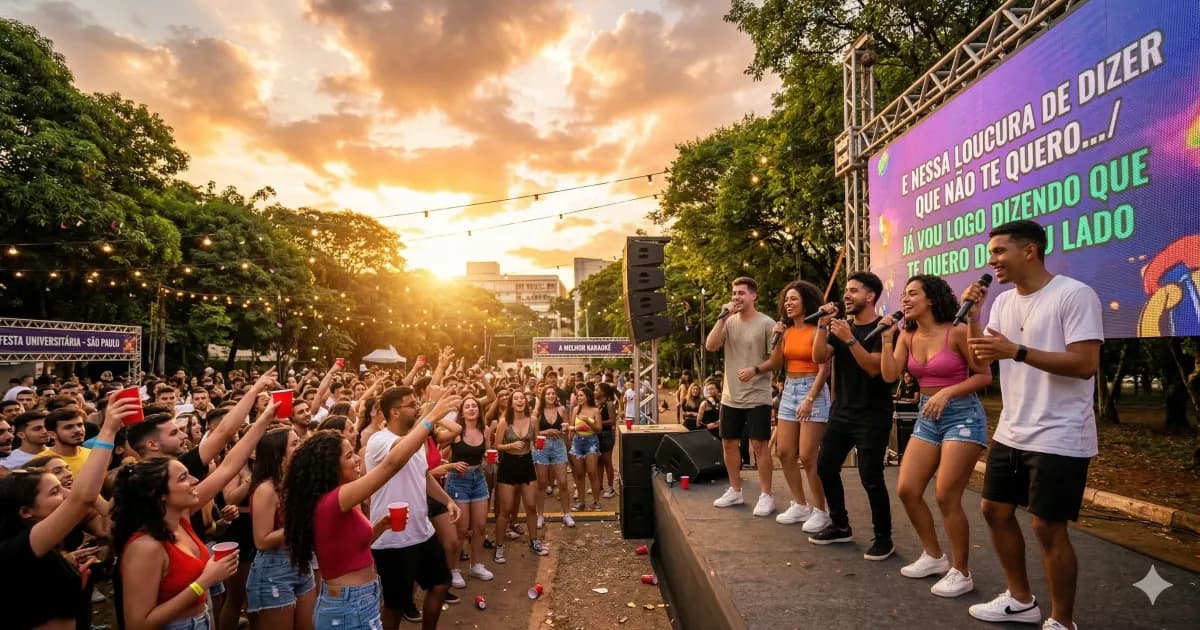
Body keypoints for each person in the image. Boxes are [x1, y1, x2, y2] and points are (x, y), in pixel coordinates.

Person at [965, 220, 1103, 630]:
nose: (993, 261)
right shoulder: (1003, 303)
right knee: (993, 510)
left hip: (1061, 432)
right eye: (991, 253)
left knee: (1047, 525)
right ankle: (1020, 599)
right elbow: (980, 362)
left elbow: (1085, 365)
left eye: (1000, 251)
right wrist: (973, 319)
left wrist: (1018, 351)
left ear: (1030, 251)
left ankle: (1063, 620)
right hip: (1013, 429)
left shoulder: (1074, 295)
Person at [283, 398, 451, 630]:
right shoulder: (335, 499)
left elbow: (353, 549)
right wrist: (430, 418)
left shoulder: (337, 499)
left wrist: (381, 525)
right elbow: (391, 465)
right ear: (332, 466)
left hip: (359, 600)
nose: (357, 459)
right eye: (349, 456)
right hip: (347, 607)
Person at [115, 400, 278, 630]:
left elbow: (226, 468)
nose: (194, 481)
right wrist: (204, 582)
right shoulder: (145, 546)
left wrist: (263, 420)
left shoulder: (179, 519)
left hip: (202, 620)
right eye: (183, 478)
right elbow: (138, 624)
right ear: (160, 494)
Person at [879, 275, 992, 598]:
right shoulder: (906, 336)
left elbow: (984, 375)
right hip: (928, 417)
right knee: (907, 489)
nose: (905, 299)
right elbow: (889, 375)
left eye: (912, 293)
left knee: (946, 494)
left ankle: (962, 571)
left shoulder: (956, 331)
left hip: (962, 415)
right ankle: (933, 556)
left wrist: (948, 393)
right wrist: (887, 340)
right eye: (904, 294)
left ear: (931, 299)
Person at [0, 396, 136, 629]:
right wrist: (109, 430)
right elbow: (82, 499)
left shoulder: (45, 546)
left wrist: (69, 569)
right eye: (55, 491)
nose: (65, 494)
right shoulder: (16, 546)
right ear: (25, 511)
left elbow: (102, 517)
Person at [809, 271, 896, 561]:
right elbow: (819, 357)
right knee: (825, 467)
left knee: (871, 476)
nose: (846, 295)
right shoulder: (841, 327)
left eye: (853, 290)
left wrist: (849, 340)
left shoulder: (884, 328)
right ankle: (840, 524)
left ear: (870, 296)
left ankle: (884, 538)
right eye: (846, 290)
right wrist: (823, 326)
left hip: (872, 413)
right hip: (842, 411)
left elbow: (874, 368)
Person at [365, 386, 462, 629]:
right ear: (395, 412)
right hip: (393, 539)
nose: (417, 407)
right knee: (396, 604)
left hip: (422, 532)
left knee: (441, 583)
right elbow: (398, 457)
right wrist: (432, 415)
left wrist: (447, 500)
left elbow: (423, 475)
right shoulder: (379, 440)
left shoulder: (416, 439)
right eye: (411, 404)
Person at [742, 280, 833, 532]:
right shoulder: (788, 331)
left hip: (812, 390)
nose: (788, 304)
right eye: (786, 300)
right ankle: (800, 504)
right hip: (790, 389)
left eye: (794, 299)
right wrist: (778, 337)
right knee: (784, 452)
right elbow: (778, 362)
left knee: (807, 455)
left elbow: (824, 367)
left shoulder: (818, 329)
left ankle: (821, 511)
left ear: (806, 301)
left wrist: (810, 398)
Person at [705, 277, 776, 516]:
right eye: (734, 293)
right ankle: (735, 490)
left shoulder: (767, 323)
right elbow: (710, 345)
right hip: (730, 395)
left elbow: (776, 359)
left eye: (742, 293)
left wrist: (755, 370)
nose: (736, 297)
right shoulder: (728, 321)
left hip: (758, 394)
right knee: (728, 442)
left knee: (759, 444)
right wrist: (722, 316)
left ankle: (766, 495)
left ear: (753, 296)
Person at [247, 427, 315, 629]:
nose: (300, 445)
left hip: (301, 560)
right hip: (273, 568)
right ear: (278, 454)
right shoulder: (266, 490)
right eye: (294, 443)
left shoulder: (295, 482)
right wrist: (301, 524)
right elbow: (261, 540)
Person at [443, 395, 496, 587]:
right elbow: (442, 454)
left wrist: (490, 461)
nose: (472, 409)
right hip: (459, 481)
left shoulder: (486, 429)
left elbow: (487, 456)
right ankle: (455, 569)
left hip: (479, 478)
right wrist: (452, 465)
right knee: (462, 529)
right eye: (468, 406)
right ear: (462, 412)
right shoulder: (456, 432)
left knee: (481, 525)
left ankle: (476, 565)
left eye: (475, 406)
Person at [493, 390, 548, 563]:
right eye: (516, 398)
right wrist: (510, 445)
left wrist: (540, 445)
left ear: (526, 401)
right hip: (508, 465)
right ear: (511, 403)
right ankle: (499, 546)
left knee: (531, 506)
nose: (519, 400)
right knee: (506, 510)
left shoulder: (532, 420)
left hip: (527, 463)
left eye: (522, 398)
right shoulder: (504, 422)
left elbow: (537, 439)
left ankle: (534, 541)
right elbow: (496, 445)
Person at [533, 385, 574, 529]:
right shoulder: (537, 412)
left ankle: (567, 514)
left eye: (553, 393)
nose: (550, 396)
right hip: (542, 446)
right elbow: (535, 433)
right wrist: (546, 431)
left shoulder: (562, 410)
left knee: (563, 482)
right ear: (543, 396)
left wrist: (566, 431)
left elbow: (566, 428)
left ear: (556, 396)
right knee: (542, 483)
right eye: (548, 393)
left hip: (558, 446)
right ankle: (540, 515)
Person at [570, 387, 603, 512]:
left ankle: (596, 502)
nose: (579, 398)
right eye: (578, 396)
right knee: (579, 474)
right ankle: (581, 502)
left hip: (591, 441)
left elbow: (599, 429)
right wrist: (572, 430)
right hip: (577, 442)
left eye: (581, 395)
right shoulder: (575, 410)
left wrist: (588, 423)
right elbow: (572, 426)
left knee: (592, 472)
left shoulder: (595, 410)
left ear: (588, 397)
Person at [893, 371, 921, 462]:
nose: (905, 379)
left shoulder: (915, 387)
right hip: (901, 412)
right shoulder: (902, 385)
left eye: (907, 377)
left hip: (912, 412)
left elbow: (916, 399)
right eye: (904, 377)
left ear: (912, 378)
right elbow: (898, 396)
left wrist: (906, 399)